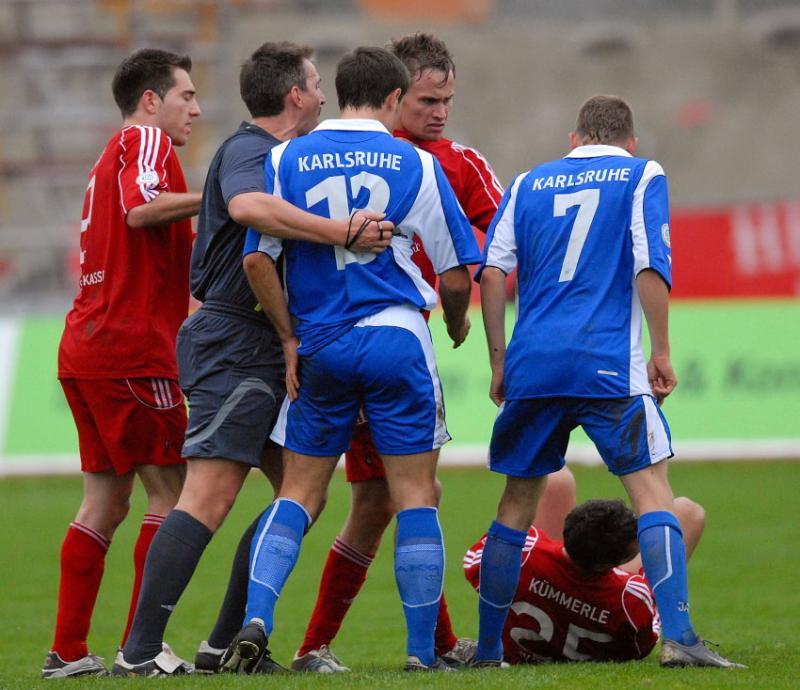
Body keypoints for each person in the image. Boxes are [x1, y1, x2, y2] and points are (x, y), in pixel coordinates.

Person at [288, 32, 576, 674]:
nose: (440, 112)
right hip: (376, 343)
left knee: (384, 499)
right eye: (427, 100)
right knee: (397, 497)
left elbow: (510, 238)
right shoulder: (386, 158)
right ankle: (387, 646)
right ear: (395, 95)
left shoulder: (460, 162)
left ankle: (357, 643)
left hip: (380, 346)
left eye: (448, 100)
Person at [111, 42, 391, 678]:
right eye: (315, 85)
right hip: (233, 339)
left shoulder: (285, 159)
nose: (322, 96)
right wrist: (343, 230)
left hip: (264, 343)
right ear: (294, 95)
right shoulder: (250, 151)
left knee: (302, 495)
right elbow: (245, 209)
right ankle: (139, 652)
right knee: (209, 495)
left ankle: (222, 646)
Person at [222, 45, 481, 674]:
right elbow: (455, 274)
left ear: (338, 94)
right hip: (396, 337)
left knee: (299, 493)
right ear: (394, 98)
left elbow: (256, 259)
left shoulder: (284, 157)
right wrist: (454, 321)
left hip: (321, 343)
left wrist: (288, 337)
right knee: (414, 494)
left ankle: (258, 619)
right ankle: (423, 653)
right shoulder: (417, 162)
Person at [473, 94, 744, 669]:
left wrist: (499, 360)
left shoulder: (527, 183)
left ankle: (490, 651)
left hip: (533, 364)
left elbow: (492, 274)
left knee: (515, 505)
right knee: (652, 494)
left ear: (574, 139)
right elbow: (650, 262)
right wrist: (661, 349)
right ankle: (680, 638)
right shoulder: (642, 173)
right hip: (606, 362)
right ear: (630, 142)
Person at [43, 48, 202, 679]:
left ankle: (67, 651)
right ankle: (144, 648)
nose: (195, 108)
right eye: (186, 95)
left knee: (104, 504)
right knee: (175, 493)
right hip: (131, 350)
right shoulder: (145, 139)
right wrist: (217, 195)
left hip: (87, 346)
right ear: (151, 100)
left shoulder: (111, 153)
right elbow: (142, 210)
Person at [465, 497, 706, 663]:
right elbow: (642, 643)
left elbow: (475, 562)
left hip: (520, 639)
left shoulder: (524, 553)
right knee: (687, 512)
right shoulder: (629, 598)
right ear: (608, 566)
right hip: (601, 607)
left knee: (557, 479)